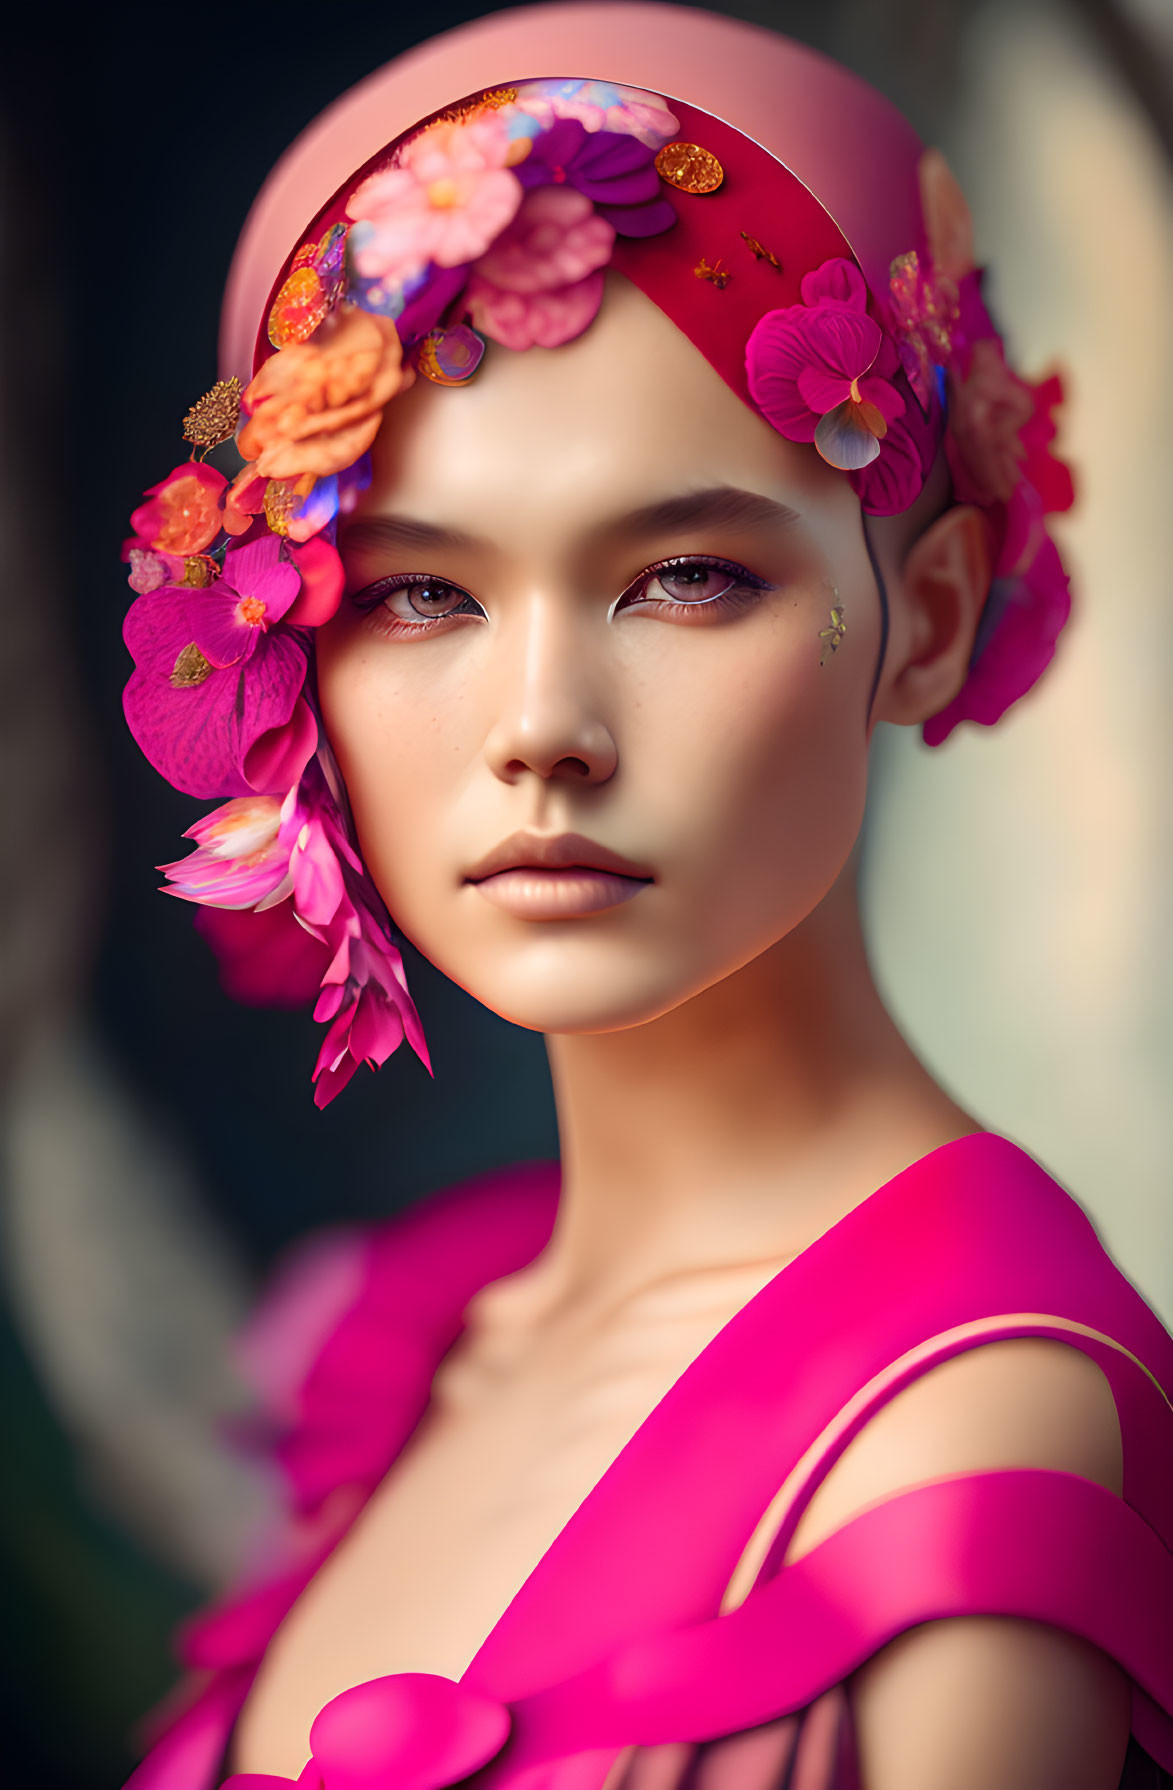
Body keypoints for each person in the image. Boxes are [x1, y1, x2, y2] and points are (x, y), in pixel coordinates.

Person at [118, 6, 1173, 1787]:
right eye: (416, 597)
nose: (541, 730)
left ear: (918, 616)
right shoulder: (422, 1335)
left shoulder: (965, 1437)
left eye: (683, 577)